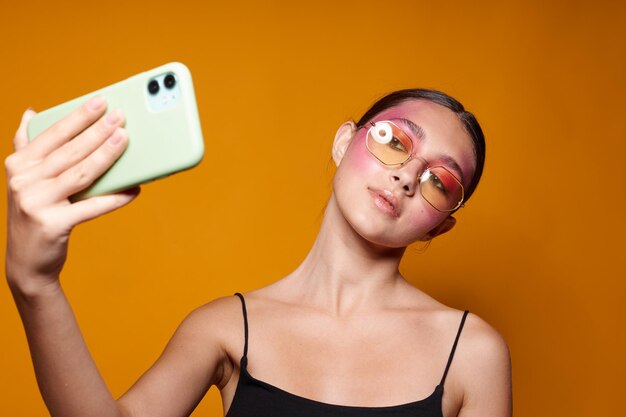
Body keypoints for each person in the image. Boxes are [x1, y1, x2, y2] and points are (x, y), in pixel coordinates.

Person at [5, 89, 512, 417]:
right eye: (393, 140)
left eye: (439, 182)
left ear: (441, 226)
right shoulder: (223, 328)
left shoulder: (473, 353)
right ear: (343, 143)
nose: (405, 176)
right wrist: (36, 284)